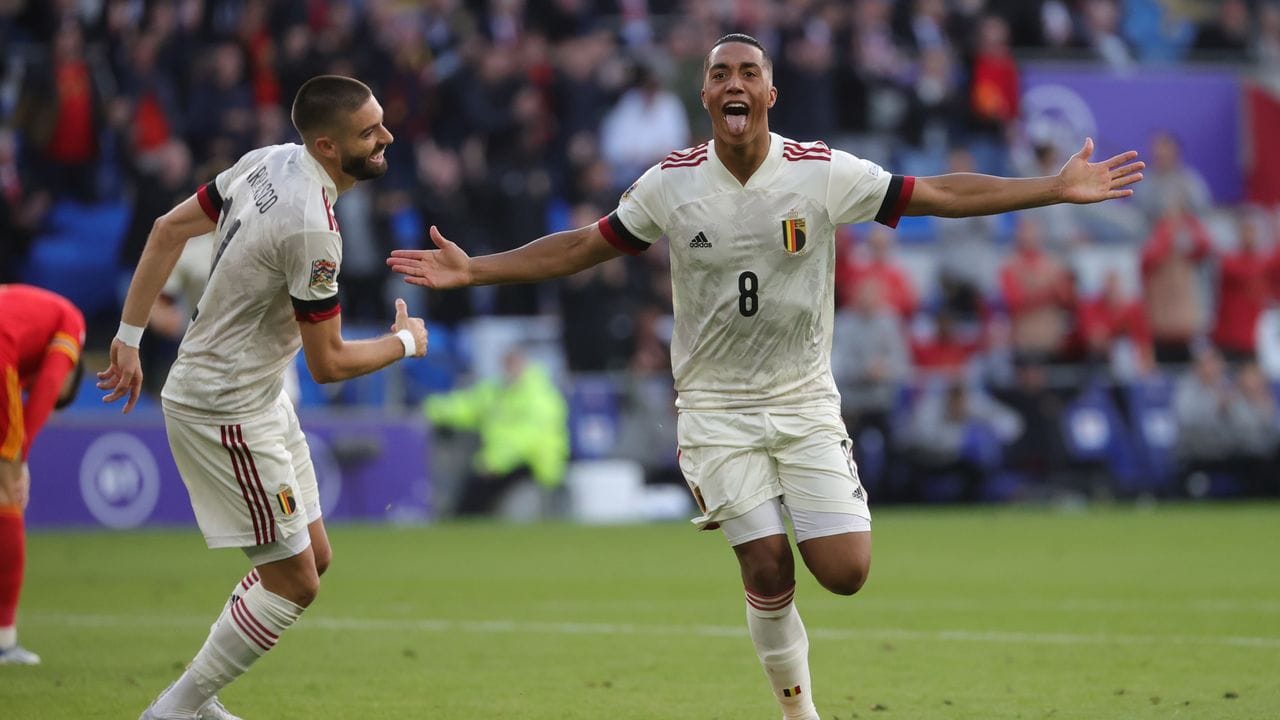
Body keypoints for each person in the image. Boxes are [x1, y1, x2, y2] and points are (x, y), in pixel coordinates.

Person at [387, 33, 1143, 720]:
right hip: (715, 406)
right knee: (767, 561)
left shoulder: (820, 174)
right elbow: (587, 245)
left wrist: (1049, 187)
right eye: (721, 74)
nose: (735, 83)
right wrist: (477, 270)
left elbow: (936, 194)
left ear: (770, 95)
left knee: (846, 572)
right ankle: (799, 712)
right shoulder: (670, 184)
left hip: (804, 396)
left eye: (750, 72)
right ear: (706, 96)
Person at [98, 75, 426, 720]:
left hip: (258, 391)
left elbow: (167, 229)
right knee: (296, 581)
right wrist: (405, 344)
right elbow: (328, 363)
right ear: (329, 146)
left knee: (313, 559)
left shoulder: (269, 160)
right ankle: (174, 710)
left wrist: (128, 337)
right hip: (224, 407)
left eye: (382, 122)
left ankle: (197, 699)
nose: (386, 137)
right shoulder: (313, 229)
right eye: (370, 132)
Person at [0, 284, 85, 665]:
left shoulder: (26, 310)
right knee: (7, 495)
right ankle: (4, 640)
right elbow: (49, 385)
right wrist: (21, 462)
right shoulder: (72, 322)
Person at [424, 347, 569, 517]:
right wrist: (431, 409)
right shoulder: (495, 391)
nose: (509, 370)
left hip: (535, 465)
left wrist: (496, 461)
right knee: (473, 490)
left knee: (475, 495)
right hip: (501, 461)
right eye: (506, 365)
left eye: (513, 364)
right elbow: (466, 406)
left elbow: (531, 438)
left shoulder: (541, 395)